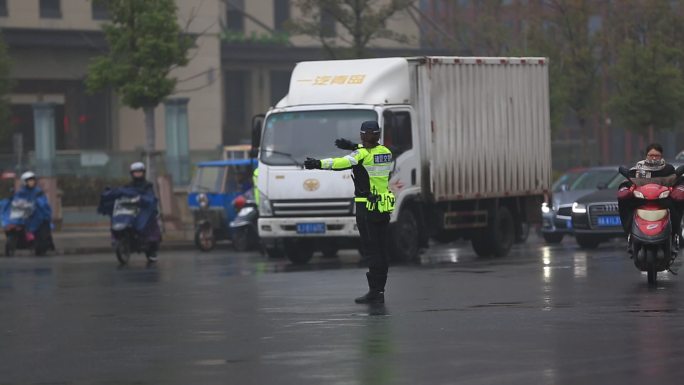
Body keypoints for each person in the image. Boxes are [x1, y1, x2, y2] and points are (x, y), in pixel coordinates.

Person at [305, 121, 395, 304]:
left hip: (367, 208)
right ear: (378, 135)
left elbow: (341, 162)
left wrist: (317, 163)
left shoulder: (360, 155)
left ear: (363, 135)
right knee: (382, 250)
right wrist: (354, 146)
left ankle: (375, 292)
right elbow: (370, 153)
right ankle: (380, 290)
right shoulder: (386, 152)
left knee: (372, 250)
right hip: (383, 207)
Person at [618, 143, 681, 250]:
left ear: (661, 156)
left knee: (676, 204)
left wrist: (679, 190)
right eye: (651, 155)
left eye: (657, 155)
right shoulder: (637, 169)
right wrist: (624, 189)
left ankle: (675, 235)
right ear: (646, 155)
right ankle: (629, 235)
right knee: (624, 203)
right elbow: (628, 182)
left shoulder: (668, 169)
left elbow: (675, 181)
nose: (653, 158)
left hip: (663, 200)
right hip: (640, 199)